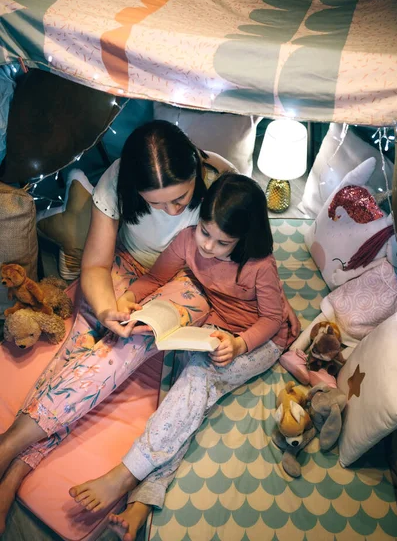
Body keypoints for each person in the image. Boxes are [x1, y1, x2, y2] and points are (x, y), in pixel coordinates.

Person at [0, 122, 300, 535]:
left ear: (197, 172)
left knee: (126, 349)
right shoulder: (122, 184)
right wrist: (111, 308)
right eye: (158, 204)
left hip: (191, 283)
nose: (175, 213)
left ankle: (14, 455)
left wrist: (264, 321)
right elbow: (97, 266)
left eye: (181, 199)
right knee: (81, 345)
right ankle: (16, 456)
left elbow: (248, 275)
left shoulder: (220, 194)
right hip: (138, 274)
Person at [68, 173, 293, 541]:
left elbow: (272, 319)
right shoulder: (188, 241)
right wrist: (131, 299)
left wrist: (239, 345)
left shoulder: (259, 265)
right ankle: (144, 499)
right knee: (189, 401)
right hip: (213, 331)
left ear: (244, 239)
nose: (207, 246)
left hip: (260, 342)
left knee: (195, 382)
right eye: (205, 232)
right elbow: (156, 278)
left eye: (223, 243)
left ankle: (125, 474)